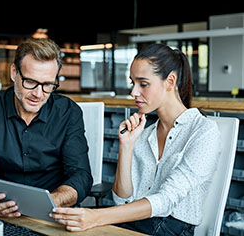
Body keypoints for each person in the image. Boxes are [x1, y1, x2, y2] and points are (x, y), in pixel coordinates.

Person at [50, 43, 221, 236]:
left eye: (143, 84)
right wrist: (127, 147)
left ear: (170, 81)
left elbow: (165, 201)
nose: (133, 93)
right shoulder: (145, 134)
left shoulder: (204, 131)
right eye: (133, 83)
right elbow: (121, 200)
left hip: (172, 228)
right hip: (136, 222)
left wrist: (96, 217)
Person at [0, 38, 93, 218]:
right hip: (2, 211)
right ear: (14, 73)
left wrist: (50, 201)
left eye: (48, 85)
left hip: (54, 212)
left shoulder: (69, 112)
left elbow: (81, 175)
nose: (38, 94)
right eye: (30, 82)